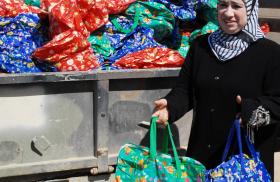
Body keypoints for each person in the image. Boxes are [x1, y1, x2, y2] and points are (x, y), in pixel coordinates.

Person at [152, 0, 280, 178]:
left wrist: (250, 110)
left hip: (244, 165)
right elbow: (185, 90)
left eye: (236, 6)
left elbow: (277, 102)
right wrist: (170, 107)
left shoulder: (270, 53)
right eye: (222, 5)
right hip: (202, 157)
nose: (228, 13)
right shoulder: (201, 46)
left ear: (250, 9)